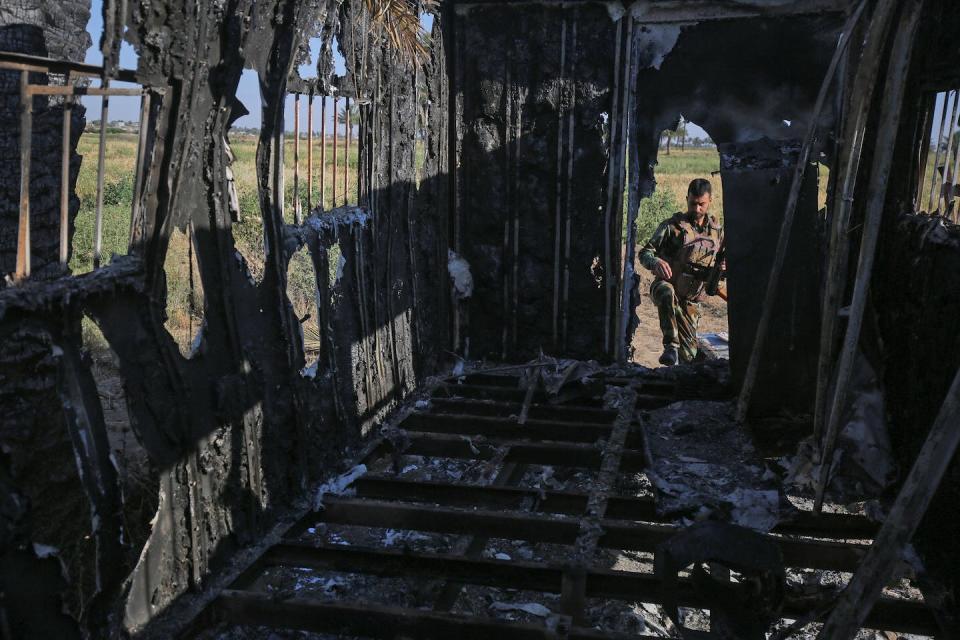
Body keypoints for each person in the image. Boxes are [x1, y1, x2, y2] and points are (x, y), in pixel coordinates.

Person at [639, 178, 725, 366]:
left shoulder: (717, 232)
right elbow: (644, 253)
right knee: (666, 292)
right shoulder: (672, 227)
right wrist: (655, 262)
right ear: (687, 199)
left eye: (701, 204)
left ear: (710, 200)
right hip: (667, 286)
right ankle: (670, 346)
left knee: (689, 358)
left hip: (691, 299)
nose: (697, 209)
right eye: (693, 203)